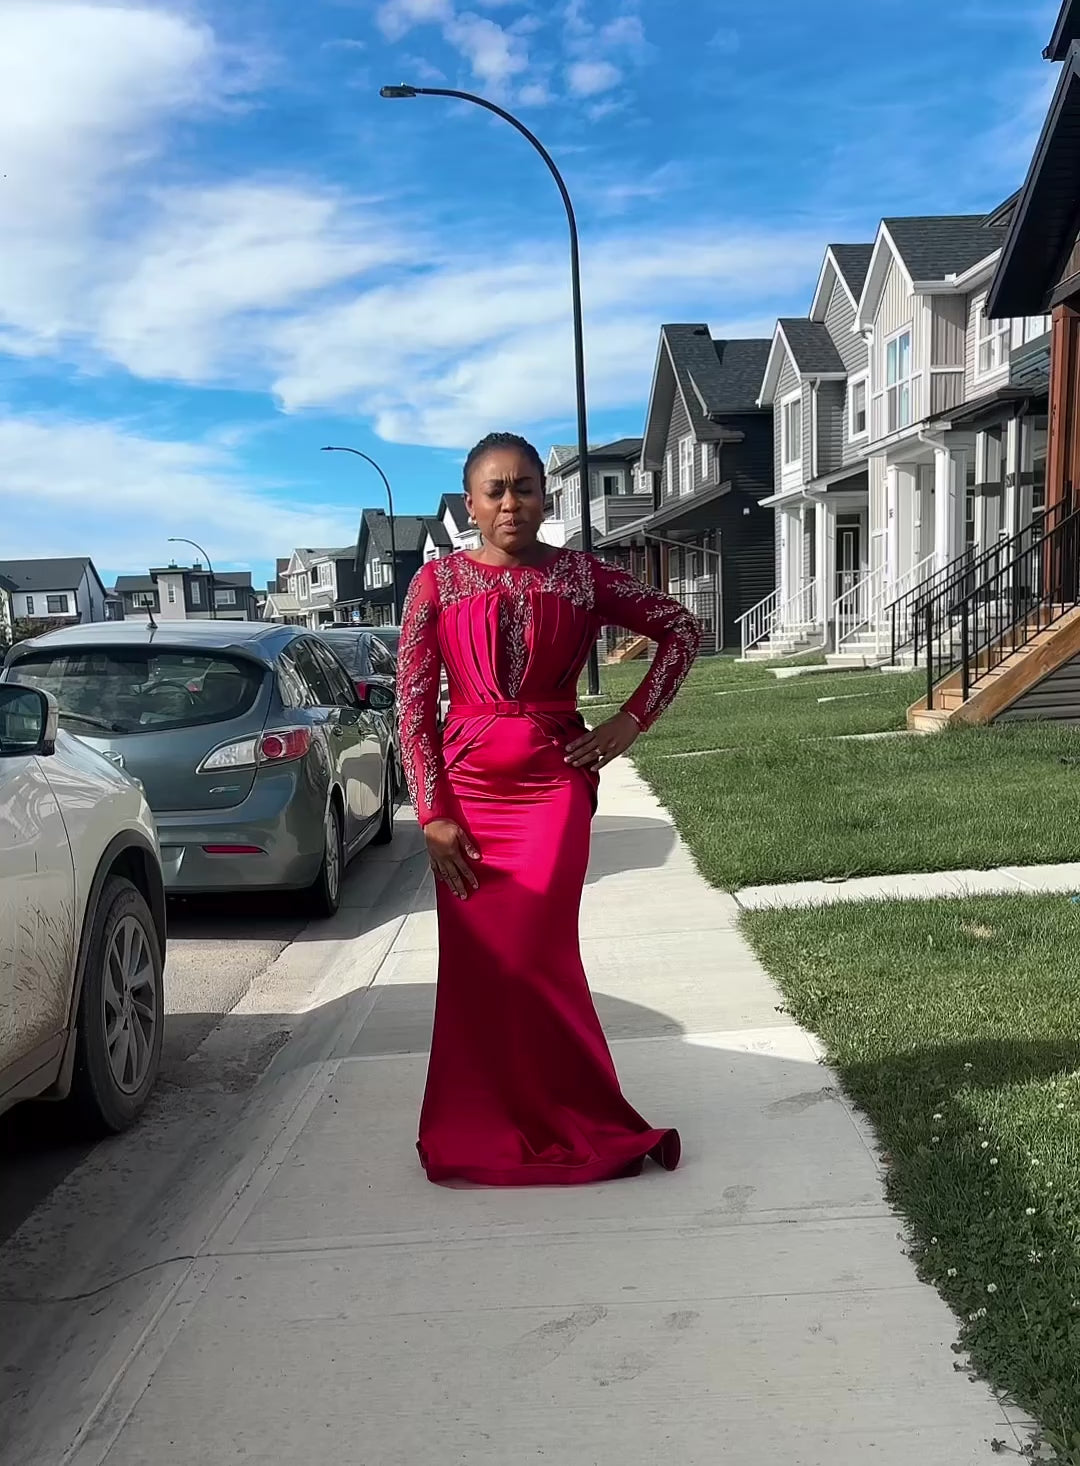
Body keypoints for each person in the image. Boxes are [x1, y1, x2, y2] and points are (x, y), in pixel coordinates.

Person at [397, 431, 703, 1186]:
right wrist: (431, 812)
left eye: (525, 487)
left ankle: (567, 1113)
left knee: (538, 955)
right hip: (465, 797)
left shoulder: (580, 576)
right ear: (471, 505)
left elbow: (681, 630)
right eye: (495, 490)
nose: (511, 502)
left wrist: (630, 721)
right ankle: (482, 1121)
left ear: (544, 495)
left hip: (552, 791)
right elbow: (412, 708)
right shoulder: (435, 583)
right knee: (479, 967)